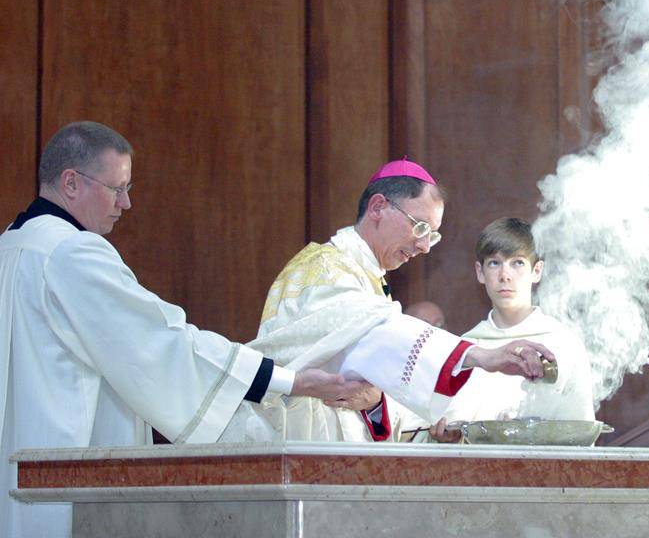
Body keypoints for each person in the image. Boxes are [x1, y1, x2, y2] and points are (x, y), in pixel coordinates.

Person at [0, 122, 373, 538]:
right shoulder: (74, 253)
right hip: (63, 477)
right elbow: (162, 341)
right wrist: (287, 380)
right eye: (117, 187)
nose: (126, 203)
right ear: (71, 183)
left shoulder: (13, 245)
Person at [220, 162, 554, 444]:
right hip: (298, 441)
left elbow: (372, 384)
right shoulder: (324, 269)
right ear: (378, 207)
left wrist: (383, 405)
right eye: (420, 227)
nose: (425, 246)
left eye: (433, 234)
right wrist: (478, 355)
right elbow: (381, 332)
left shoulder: (368, 282)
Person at [431, 218, 595, 441]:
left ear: (536, 271)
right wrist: (446, 438)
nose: (505, 275)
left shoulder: (564, 343)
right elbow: (442, 428)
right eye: (494, 263)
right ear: (480, 272)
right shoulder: (466, 350)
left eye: (517, 263)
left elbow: (581, 435)